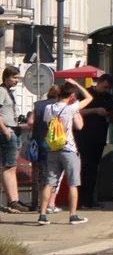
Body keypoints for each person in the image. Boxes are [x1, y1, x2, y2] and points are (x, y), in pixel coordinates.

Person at [38, 80, 95, 225]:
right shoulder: (71, 108)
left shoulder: (49, 108)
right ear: (71, 96)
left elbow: (46, 122)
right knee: (73, 183)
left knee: (49, 183)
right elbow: (89, 98)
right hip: (68, 149)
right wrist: (77, 84)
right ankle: (73, 215)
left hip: (53, 149)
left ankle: (43, 216)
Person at [74, 74, 113, 209]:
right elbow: (77, 111)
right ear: (99, 83)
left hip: (99, 137)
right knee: (82, 168)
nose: (106, 90)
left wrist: (111, 115)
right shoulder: (86, 94)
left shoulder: (109, 98)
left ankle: (89, 199)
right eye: (105, 87)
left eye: (109, 88)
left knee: (93, 169)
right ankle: (79, 199)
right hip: (83, 136)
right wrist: (95, 111)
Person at [27, 85, 62, 213]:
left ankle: (41, 204)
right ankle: (51, 204)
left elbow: (30, 122)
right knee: (54, 173)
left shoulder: (38, 105)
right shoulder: (60, 105)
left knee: (41, 174)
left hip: (40, 142)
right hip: (55, 143)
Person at [0, 66, 31, 213]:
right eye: (14, 77)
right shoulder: (1, 91)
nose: (17, 80)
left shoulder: (9, 92)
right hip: (8, 130)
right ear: (6, 77)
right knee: (9, 166)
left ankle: (15, 199)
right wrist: (5, 130)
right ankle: (13, 200)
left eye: (18, 77)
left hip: (14, 129)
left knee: (12, 166)